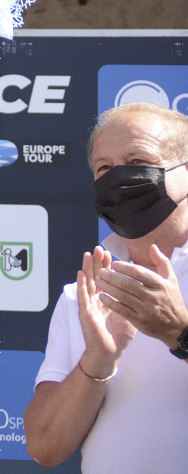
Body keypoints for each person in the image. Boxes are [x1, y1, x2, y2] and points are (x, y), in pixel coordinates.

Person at [25, 101, 188, 471]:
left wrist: (179, 333)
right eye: (104, 168)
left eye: (137, 161)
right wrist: (97, 360)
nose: (119, 180)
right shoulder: (84, 294)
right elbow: (45, 447)